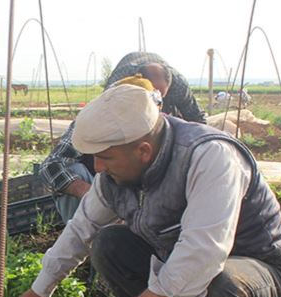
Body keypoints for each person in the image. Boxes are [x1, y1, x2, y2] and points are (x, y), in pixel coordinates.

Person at [19, 85, 281, 297]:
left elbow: (201, 257)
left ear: (143, 151)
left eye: (105, 157)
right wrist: (40, 290)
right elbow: (82, 228)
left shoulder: (210, 156)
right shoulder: (117, 175)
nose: (97, 168)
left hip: (263, 279)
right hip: (189, 273)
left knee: (218, 284)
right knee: (108, 244)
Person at [39, 52, 207, 223]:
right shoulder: (102, 116)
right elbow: (51, 165)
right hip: (104, 191)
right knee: (76, 174)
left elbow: (198, 124)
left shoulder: (173, 119)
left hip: (149, 204)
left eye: (158, 99)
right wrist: (91, 196)